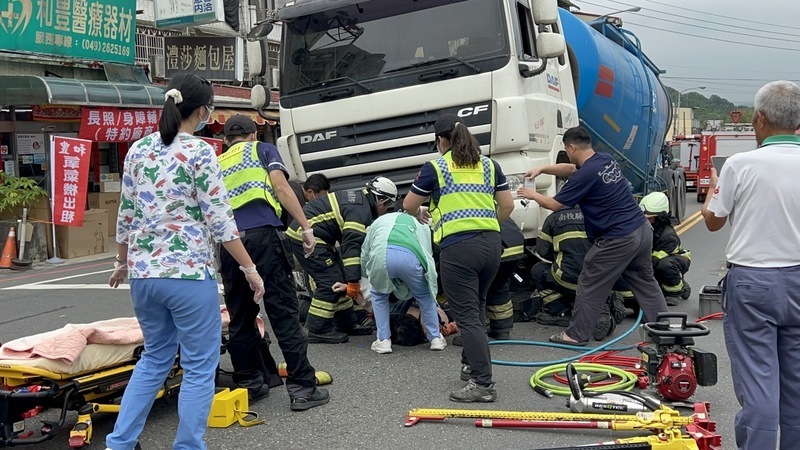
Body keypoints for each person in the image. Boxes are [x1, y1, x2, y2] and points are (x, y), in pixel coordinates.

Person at [106, 73, 265, 450]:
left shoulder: (138, 151)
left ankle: (119, 443)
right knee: (198, 367)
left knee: (153, 360)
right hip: (188, 274)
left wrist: (121, 262)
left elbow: (125, 213)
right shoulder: (199, 152)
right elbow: (221, 221)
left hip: (144, 276)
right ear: (201, 110)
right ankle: (188, 446)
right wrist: (249, 269)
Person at [701, 80, 800, 450]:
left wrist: (715, 186)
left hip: (753, 284)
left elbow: (712, 220)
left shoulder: (740, 164)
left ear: (759, 118)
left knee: (760, 385)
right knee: (796, 385)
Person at [217, 115, 329, 411]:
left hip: (230, 243)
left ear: (227, 140)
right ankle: (303, 387)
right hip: (263, 237)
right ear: (254, 135)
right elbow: (281, 187)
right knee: (282, 311)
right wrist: (305, 227)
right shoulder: (262, 151)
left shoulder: (218, 162)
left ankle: (250, 383)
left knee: (240, 315)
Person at [518, 126, 667, 346]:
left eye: (567, 150)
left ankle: (576, 335)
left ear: (572, 147)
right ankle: (666, 330)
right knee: (645, 281)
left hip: (618, 237)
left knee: (589, 280)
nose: (568, 154)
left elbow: (554, 204)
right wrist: (542, 169)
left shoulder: (586, 174)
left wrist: (531, 193)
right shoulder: (603, 160)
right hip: (642, 229)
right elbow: (571, 168)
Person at [404, 113, 514, 403]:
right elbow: (507, 205)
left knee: (467, 316)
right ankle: (470, 364)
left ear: (441, 141)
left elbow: (409, 204)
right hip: (491, 244)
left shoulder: (436, 167)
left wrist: (421, 213)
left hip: (458, 249)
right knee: (476, 304)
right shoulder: (491, 165)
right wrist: (488, 224)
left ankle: (483, 383)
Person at [286, 177, 399, 344]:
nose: (386, 209)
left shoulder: (359, 202)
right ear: (381, 200)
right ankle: (317, 329)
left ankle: (346, 323)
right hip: (307, 238)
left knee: (338, 276)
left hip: (314, 236)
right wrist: (353, 281)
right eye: (388, 205)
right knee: (329, 281)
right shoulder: (361, 210)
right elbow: (351, 245)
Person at [531, 205, 626, 339]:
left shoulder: (553, 218)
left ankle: (562, 312)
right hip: (598, 279)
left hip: (565, 279)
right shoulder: (601, 214)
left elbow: (542, 251)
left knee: (538, 271)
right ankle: (603, 304)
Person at [360, 211, 446, 354]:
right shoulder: (420, 224)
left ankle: (383, 341)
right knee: (425, 296)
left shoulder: (378, 222)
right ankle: (435, 338)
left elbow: (365, 252)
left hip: (380, 255)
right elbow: (427, 252)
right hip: (410, 255)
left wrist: (365, 274)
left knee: (379, 296)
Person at [638, 192, 692, 306]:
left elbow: (653, 261)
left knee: (664, 265)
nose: (644, 220)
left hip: (675, 260)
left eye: (649, 218)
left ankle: (675, 291)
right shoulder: (647, 228)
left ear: (659, 218)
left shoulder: (668, 236)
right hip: (654, 261)